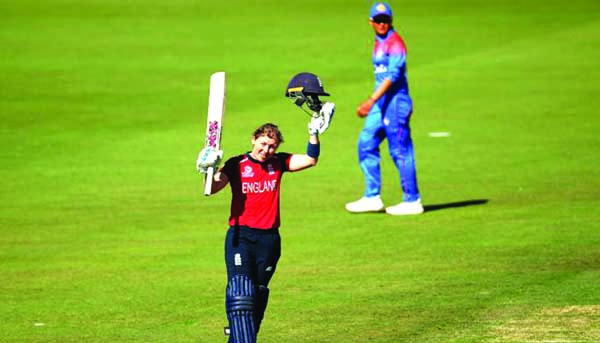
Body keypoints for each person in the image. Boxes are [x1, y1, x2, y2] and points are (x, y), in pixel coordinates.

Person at [196, 72, 334, 343]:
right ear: (253, 140)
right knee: (241, 292)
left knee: (257, 293)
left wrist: (313, 133)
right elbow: (212, 189)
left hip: (269, 239)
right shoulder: (237, 164)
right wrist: (206, 168)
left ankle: (240, 337)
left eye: (271, 146)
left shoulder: (278, 162)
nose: (267, 149)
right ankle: (240, 336)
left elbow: (310, 160)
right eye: (263, 144)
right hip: (241, 236)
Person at [345, 2, 424, 215]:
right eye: (378, 20)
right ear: (371, 22)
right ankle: (372, 197)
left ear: (391, 20)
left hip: (395, 102)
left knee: (399, 150)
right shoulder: (379, 41)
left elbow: (393, 76)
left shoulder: (395, 42)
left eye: (385, 20)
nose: (382, 23)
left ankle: (412, 200)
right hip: (382, 104)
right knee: (366, 142)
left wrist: (370, 100)